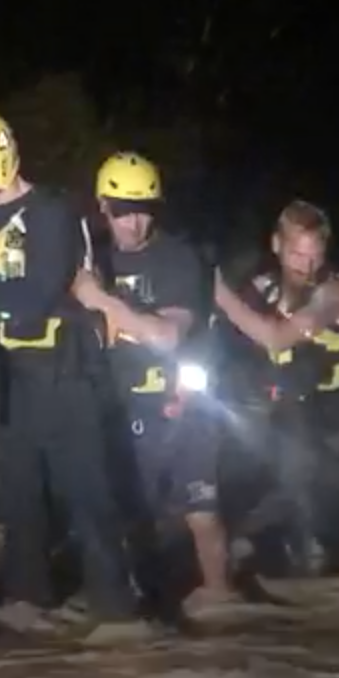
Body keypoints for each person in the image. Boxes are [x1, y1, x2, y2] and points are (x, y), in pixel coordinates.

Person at [0, 110, 148, 642]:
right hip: (12, 369)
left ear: (4, 159)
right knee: (20, 487)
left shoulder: (51, 212)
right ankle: (29, 594)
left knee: (85, 488)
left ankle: (118, 609)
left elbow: (32, 300)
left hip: (66, 369)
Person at [69, 151, 240, 618]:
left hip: (182, 400)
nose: (134, 222)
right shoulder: (89, 257)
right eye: (123, 210)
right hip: (121, 407)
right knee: (130, 512)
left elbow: (166, 336)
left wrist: (101, 299)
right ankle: (138, 600)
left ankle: (221, 597)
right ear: (103, 207)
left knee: (201, 509)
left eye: (144, 209)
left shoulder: (178, 258)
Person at [214, 200, 339, 585]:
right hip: (301, 404)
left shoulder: (334, 289)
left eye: (314, 254)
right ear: (276, 245)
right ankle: (303, 550)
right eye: (296, 253)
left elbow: (276, 338)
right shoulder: (262, 284)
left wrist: (222, 296)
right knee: (298, 487)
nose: (306, 265)